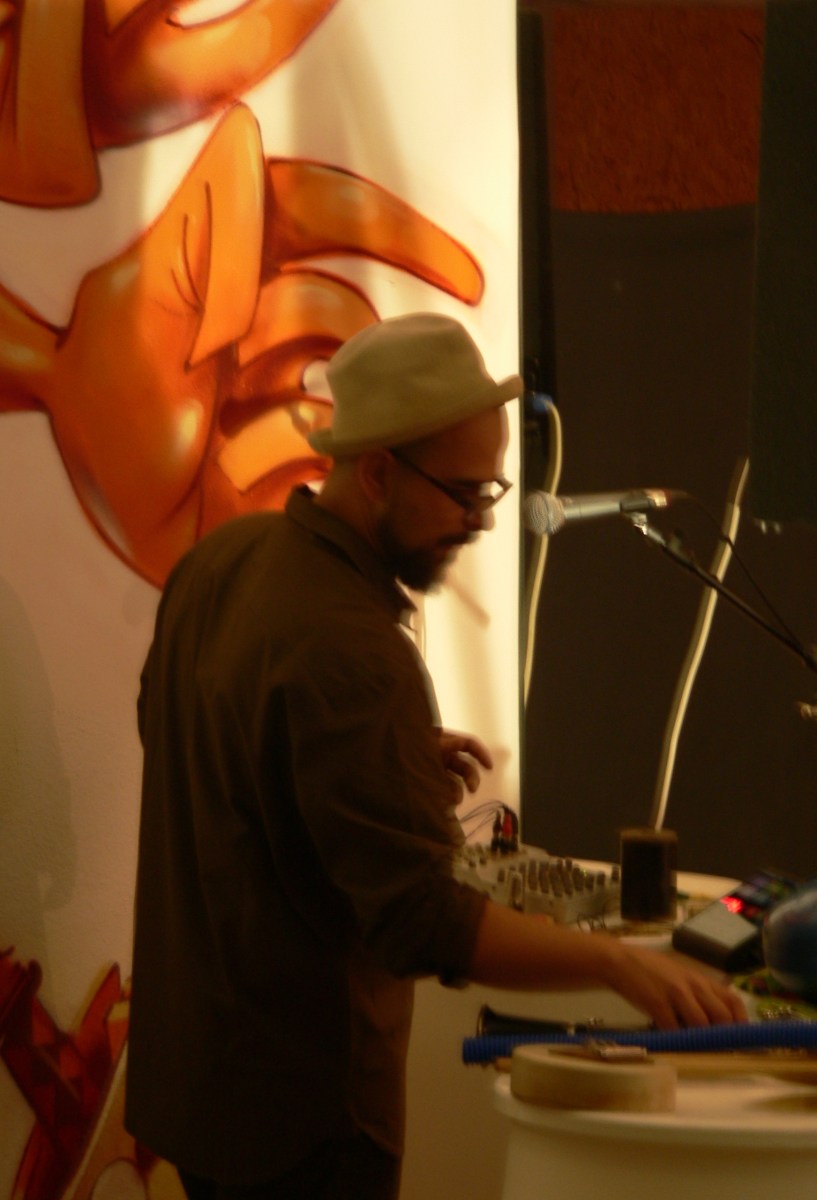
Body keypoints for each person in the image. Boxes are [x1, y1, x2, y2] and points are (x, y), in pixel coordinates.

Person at [125, 312, 745, 1200]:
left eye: (491, 491)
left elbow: (187, 735)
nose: (481, 521)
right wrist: (618, 964)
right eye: (464, 493)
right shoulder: (352, 649)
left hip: (200, 1091)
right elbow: (423, 921)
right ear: (378, 472)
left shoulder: (221, 561)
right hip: (304, 1124)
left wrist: (381, 761)